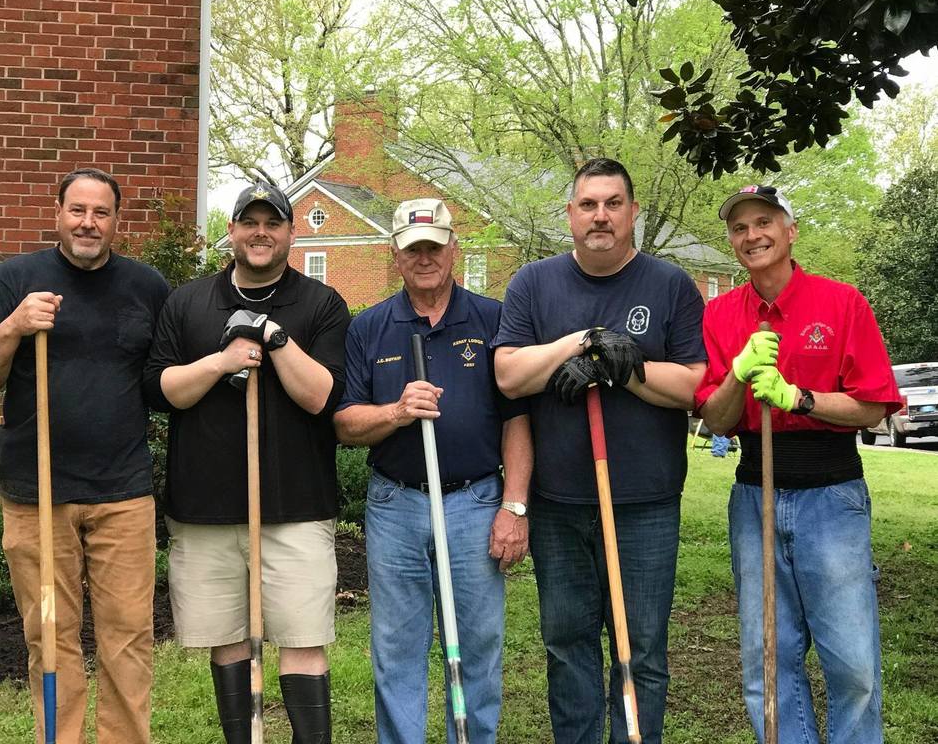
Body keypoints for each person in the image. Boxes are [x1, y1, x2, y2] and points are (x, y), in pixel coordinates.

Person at [492, 158, 706, 744]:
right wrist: (580, 343)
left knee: (642, 649)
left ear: (633, 212)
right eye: (588, 205)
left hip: (645, 502)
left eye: (613, 204)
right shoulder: (533, 283)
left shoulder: (670, 285)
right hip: (559, 502)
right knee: (567, 646)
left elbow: (694, 385)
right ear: (570, 214)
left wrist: (623, 368)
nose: (601, 216)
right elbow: (509, 375)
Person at [0, 167, 170, 744]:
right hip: (37, 493)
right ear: (58, 213)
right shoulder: (16, 279)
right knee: (51, 636)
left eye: (101, 213)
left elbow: (164, 380)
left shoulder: (147, 286)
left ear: (117, 221)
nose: (88, 223)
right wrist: (14, 326)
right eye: (78, 210)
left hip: (123, 492)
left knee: (129, 638)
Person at [143, 180, 349, 744]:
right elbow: (160, 391)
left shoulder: (321, 304)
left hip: (297, 507)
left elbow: (322, 397)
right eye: (249, 223)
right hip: (205, 508)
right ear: (231, 231)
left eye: (273, 223)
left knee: (303, 638)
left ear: (290, 233)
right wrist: (222, 360)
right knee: (229, 640)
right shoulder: (188, 303)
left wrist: (274, 339)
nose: (261, 233)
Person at [695, 185, 901, 744]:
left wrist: (798, 398)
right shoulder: (719, 314)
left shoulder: (842, 303)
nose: (752, 236)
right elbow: (716, 419)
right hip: (754, 494)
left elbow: (874, 405)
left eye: (764, 222)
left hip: (831, 495)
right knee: (768, 659)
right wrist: (738, 375)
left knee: (853, 664)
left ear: (791, 231)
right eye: (740, 228)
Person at [334, 198, 532, 744]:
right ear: (395, 255)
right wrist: (396, 412)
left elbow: (518, 420)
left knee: (477, 645)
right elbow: (345, 424)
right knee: (396, 648)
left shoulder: (493, 319)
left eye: (434, 246)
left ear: (454, 249)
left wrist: (514, 506)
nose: (425, 258)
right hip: (395, 505)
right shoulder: (370, 327)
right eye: (413, 248)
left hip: (475, 501)